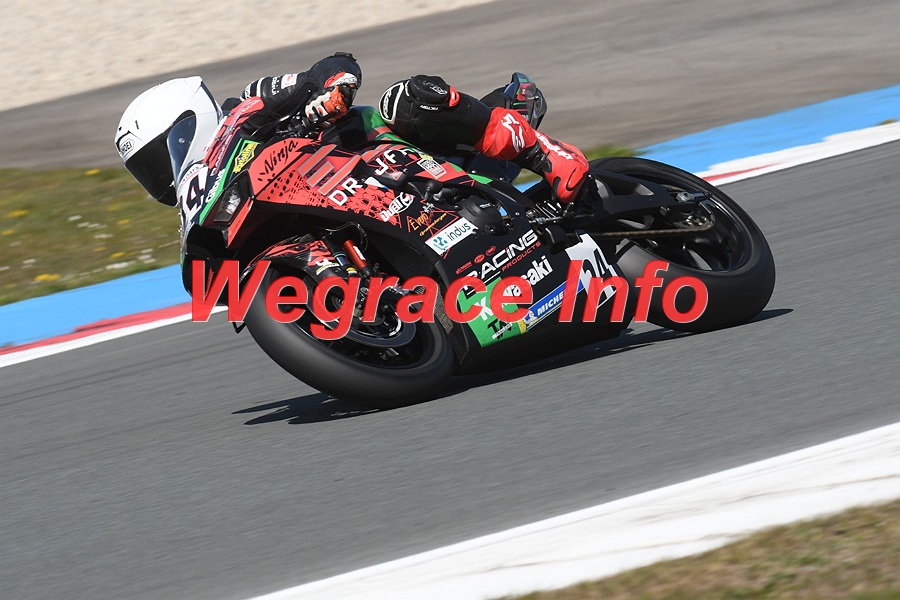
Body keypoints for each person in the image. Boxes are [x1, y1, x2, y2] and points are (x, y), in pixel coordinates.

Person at [116, 52, 589, 208]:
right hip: (346, 203)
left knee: (406, 99)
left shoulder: (249, 105)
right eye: (150, 173)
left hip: (383, 151)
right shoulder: (212, 192)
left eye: (161, 159)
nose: (165, 177)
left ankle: (543, 152)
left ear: (188, 121)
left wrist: (333, 89)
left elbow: (331, 65)